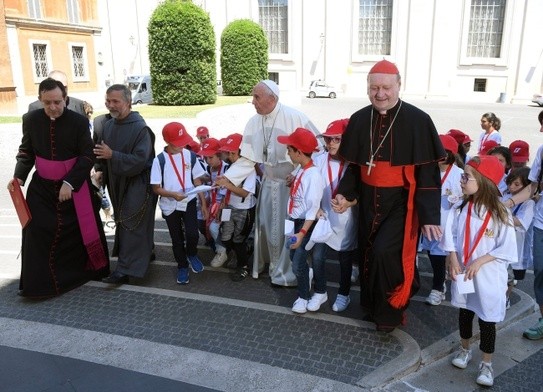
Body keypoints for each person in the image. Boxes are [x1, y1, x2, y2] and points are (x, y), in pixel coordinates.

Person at [334, 59, 445, 332]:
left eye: (386, 87)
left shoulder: (418, 120)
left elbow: (429, 174)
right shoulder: (360, 119)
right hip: (369, 202)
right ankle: (372, 308)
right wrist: (345, 195)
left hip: (401, 203)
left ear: (399, 86)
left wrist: (430, 215)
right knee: (368, 254)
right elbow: (356, 167)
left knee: (386, 254)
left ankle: (390, 314)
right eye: (374, 88)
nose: (380, 94)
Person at [7, 78, 109, 297]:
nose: (52, 108)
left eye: (57, 102)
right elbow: (26, 152)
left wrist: (69, 183)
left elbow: (87, 156)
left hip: (74, 186)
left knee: (77, 232)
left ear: (65, 98)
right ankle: (38, 286)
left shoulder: (79, 122)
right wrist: (19, 177)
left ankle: (76, 276)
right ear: (40, 100)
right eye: (47, 103)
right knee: (35, 230)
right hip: (42, 188)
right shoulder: (31, 120)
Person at [222, 79, 320, 286]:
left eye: (256, 97)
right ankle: (268, 264)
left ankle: (286, 271)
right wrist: (229, 178)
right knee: (266, 226)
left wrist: (301, 174)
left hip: (290, 185)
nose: (253, 102)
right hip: (268, 183)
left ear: (272, 99)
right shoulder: (253, 122)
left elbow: (316, 150)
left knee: (287, 228)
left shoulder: (295, 117)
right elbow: (248, 158)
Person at [442, 155, 517, 387]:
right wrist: (452, 257)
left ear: (484, 182)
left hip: (488, 277)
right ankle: (465, 350)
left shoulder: (500, 214)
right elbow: (451, 235)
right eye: (463, 175)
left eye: (467, 177)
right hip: (464, 273)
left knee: (487, 320)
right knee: (465, 313)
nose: (462, 180)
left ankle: (487, 363)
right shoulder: (460, 207)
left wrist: (482, 259)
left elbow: (506, 248)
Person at [94, 84, 156, 284]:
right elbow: (102, 153)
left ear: (128, 102)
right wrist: (101, 170)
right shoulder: (109, 125)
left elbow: (140, 160)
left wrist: (113, 156)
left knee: (131, 222)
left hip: (138, 183)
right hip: (116, 181)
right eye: (108, 101)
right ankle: (145, 253)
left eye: (115, 101)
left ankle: (126, 269)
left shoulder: (140, 128)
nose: (110, 105)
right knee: (126, 222)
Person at [150, 122, 207, 284]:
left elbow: (196, 180)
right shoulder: (159, 161)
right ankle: (182, 266)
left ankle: (192, 254)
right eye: (178, 143)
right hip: (170, 205)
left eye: (184, 141)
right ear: (168, 142)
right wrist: (173, 195)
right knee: (176, 239)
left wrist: (203, 202)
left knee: (192, 234)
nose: (182, 145)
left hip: (188, 200)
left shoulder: (189, 155)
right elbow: (156, 188)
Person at [312, 119, 358, 312]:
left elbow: (363, 192)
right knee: (317, 255)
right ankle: (320, 291)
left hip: (346, 219)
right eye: (328, 139)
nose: (331, 143)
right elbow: (308, 180)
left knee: (344, 259)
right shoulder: (319, 159)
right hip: (322, 217)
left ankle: (344, 294)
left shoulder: (355, 164)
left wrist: (350, 202)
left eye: (336, 139)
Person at [277, 128, 324, 313]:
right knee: (293, 257)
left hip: (305, 225)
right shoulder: (302, 169)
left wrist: (302, 232)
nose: (287, 152)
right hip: (294, 221)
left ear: (298, 151)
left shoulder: (313, 175)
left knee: (297, 263)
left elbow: (312, 210)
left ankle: (303, 296)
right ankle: (305, 274)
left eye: (289, 149)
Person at [419, 134, 463, 306]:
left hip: (448, 224)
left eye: (444, 152)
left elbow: (465, 197)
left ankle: (438, 288)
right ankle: (440, 282)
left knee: (440, 257)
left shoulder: (459, 174)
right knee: (432, 254)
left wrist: (457, 199)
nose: (440, 156)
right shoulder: (427, 171)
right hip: (429, 223)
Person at [214, 133, 257, 281]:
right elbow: (223, 189)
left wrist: (227, 185)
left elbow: (245, 192)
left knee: (239, 239)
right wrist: (221, 206)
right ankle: (243, 252)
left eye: (233, 153)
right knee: (225, 237)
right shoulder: (230, 166)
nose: (230, 156)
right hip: (228, 208)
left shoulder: (248, 168)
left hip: (244, 210)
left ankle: (244, 266)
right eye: (228, 152)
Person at [501, 167, 534, 309]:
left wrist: (499, 214)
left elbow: (520, 222)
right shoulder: (505, 196)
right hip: (501, 243)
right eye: (510, 183)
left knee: (510, 276)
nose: (511, 187)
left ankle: (506, 297)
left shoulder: (529, 203)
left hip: (516, 247)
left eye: (517, 184)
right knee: (501, 274)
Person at [199, 138, 230, 267]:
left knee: (214, 227)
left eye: (210, 157)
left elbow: (227, 192)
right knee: (200, 221)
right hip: (212, 204)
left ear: (219, 155)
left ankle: (222, 251)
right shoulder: (209, 168)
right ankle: (218, 246)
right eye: (206, 158)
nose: (208, 161)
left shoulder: (227, 169)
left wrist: (221, 207)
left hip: (226, 206)